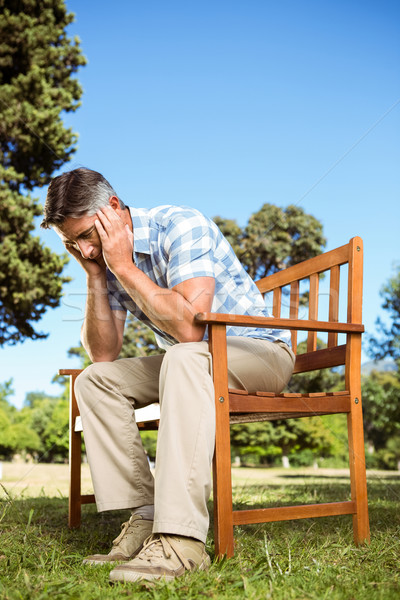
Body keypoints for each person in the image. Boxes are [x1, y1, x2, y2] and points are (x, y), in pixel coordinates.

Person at [41, 167, 295, 583]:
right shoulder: (101, 261)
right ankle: (147, 514)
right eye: (72, 244)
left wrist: (122, 265)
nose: (86, 250)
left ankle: (182, 541)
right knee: (95, 380)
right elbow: (103, 352)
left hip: (260, 353)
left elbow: (191, 328)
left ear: (113, 208)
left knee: (184, 354)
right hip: (194, 361)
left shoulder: (180, 225)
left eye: (88, 236)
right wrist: (96, 275)